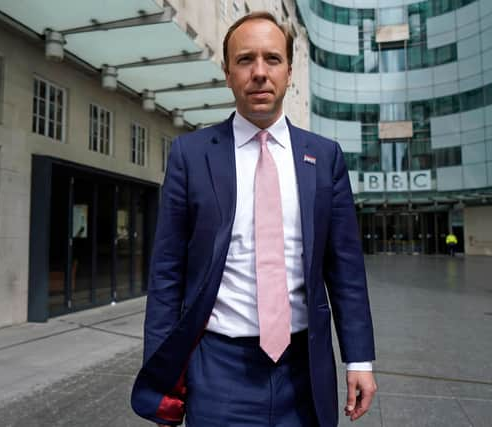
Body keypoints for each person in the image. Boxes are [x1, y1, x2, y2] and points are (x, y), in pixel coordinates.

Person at [130, 11, 376, 427]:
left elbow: (345, 268)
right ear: (227, 74)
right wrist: (162, 373)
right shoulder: (191, 155)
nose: (259, 73)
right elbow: (168, 272)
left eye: (272, 59)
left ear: (290, 71)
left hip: (304, 369)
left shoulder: (324, 156)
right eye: (245, 60)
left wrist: (360, 359)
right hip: (218, 371)